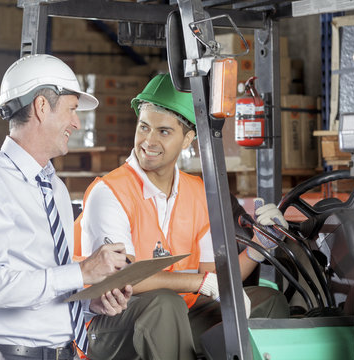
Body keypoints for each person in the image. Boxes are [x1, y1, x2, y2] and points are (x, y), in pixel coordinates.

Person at [74, 73, 289, 359]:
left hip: (180, 314)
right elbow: (123, 279)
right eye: (144, 127)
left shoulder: (197, 192)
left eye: (163, 131)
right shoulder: (110, 191)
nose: (148, 141)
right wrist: (197, 283)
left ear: (188, 139)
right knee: (164, 304)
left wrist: (259, 249)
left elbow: (212, 277)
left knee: (267, 301)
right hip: (108, 326)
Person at [0, 54, 133, 360]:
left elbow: (44, 280)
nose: (76, 123)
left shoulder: (54, 187)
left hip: (62, 352)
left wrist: (89, 300)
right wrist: (82, 271)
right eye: (72, 110)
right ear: (42, 106)